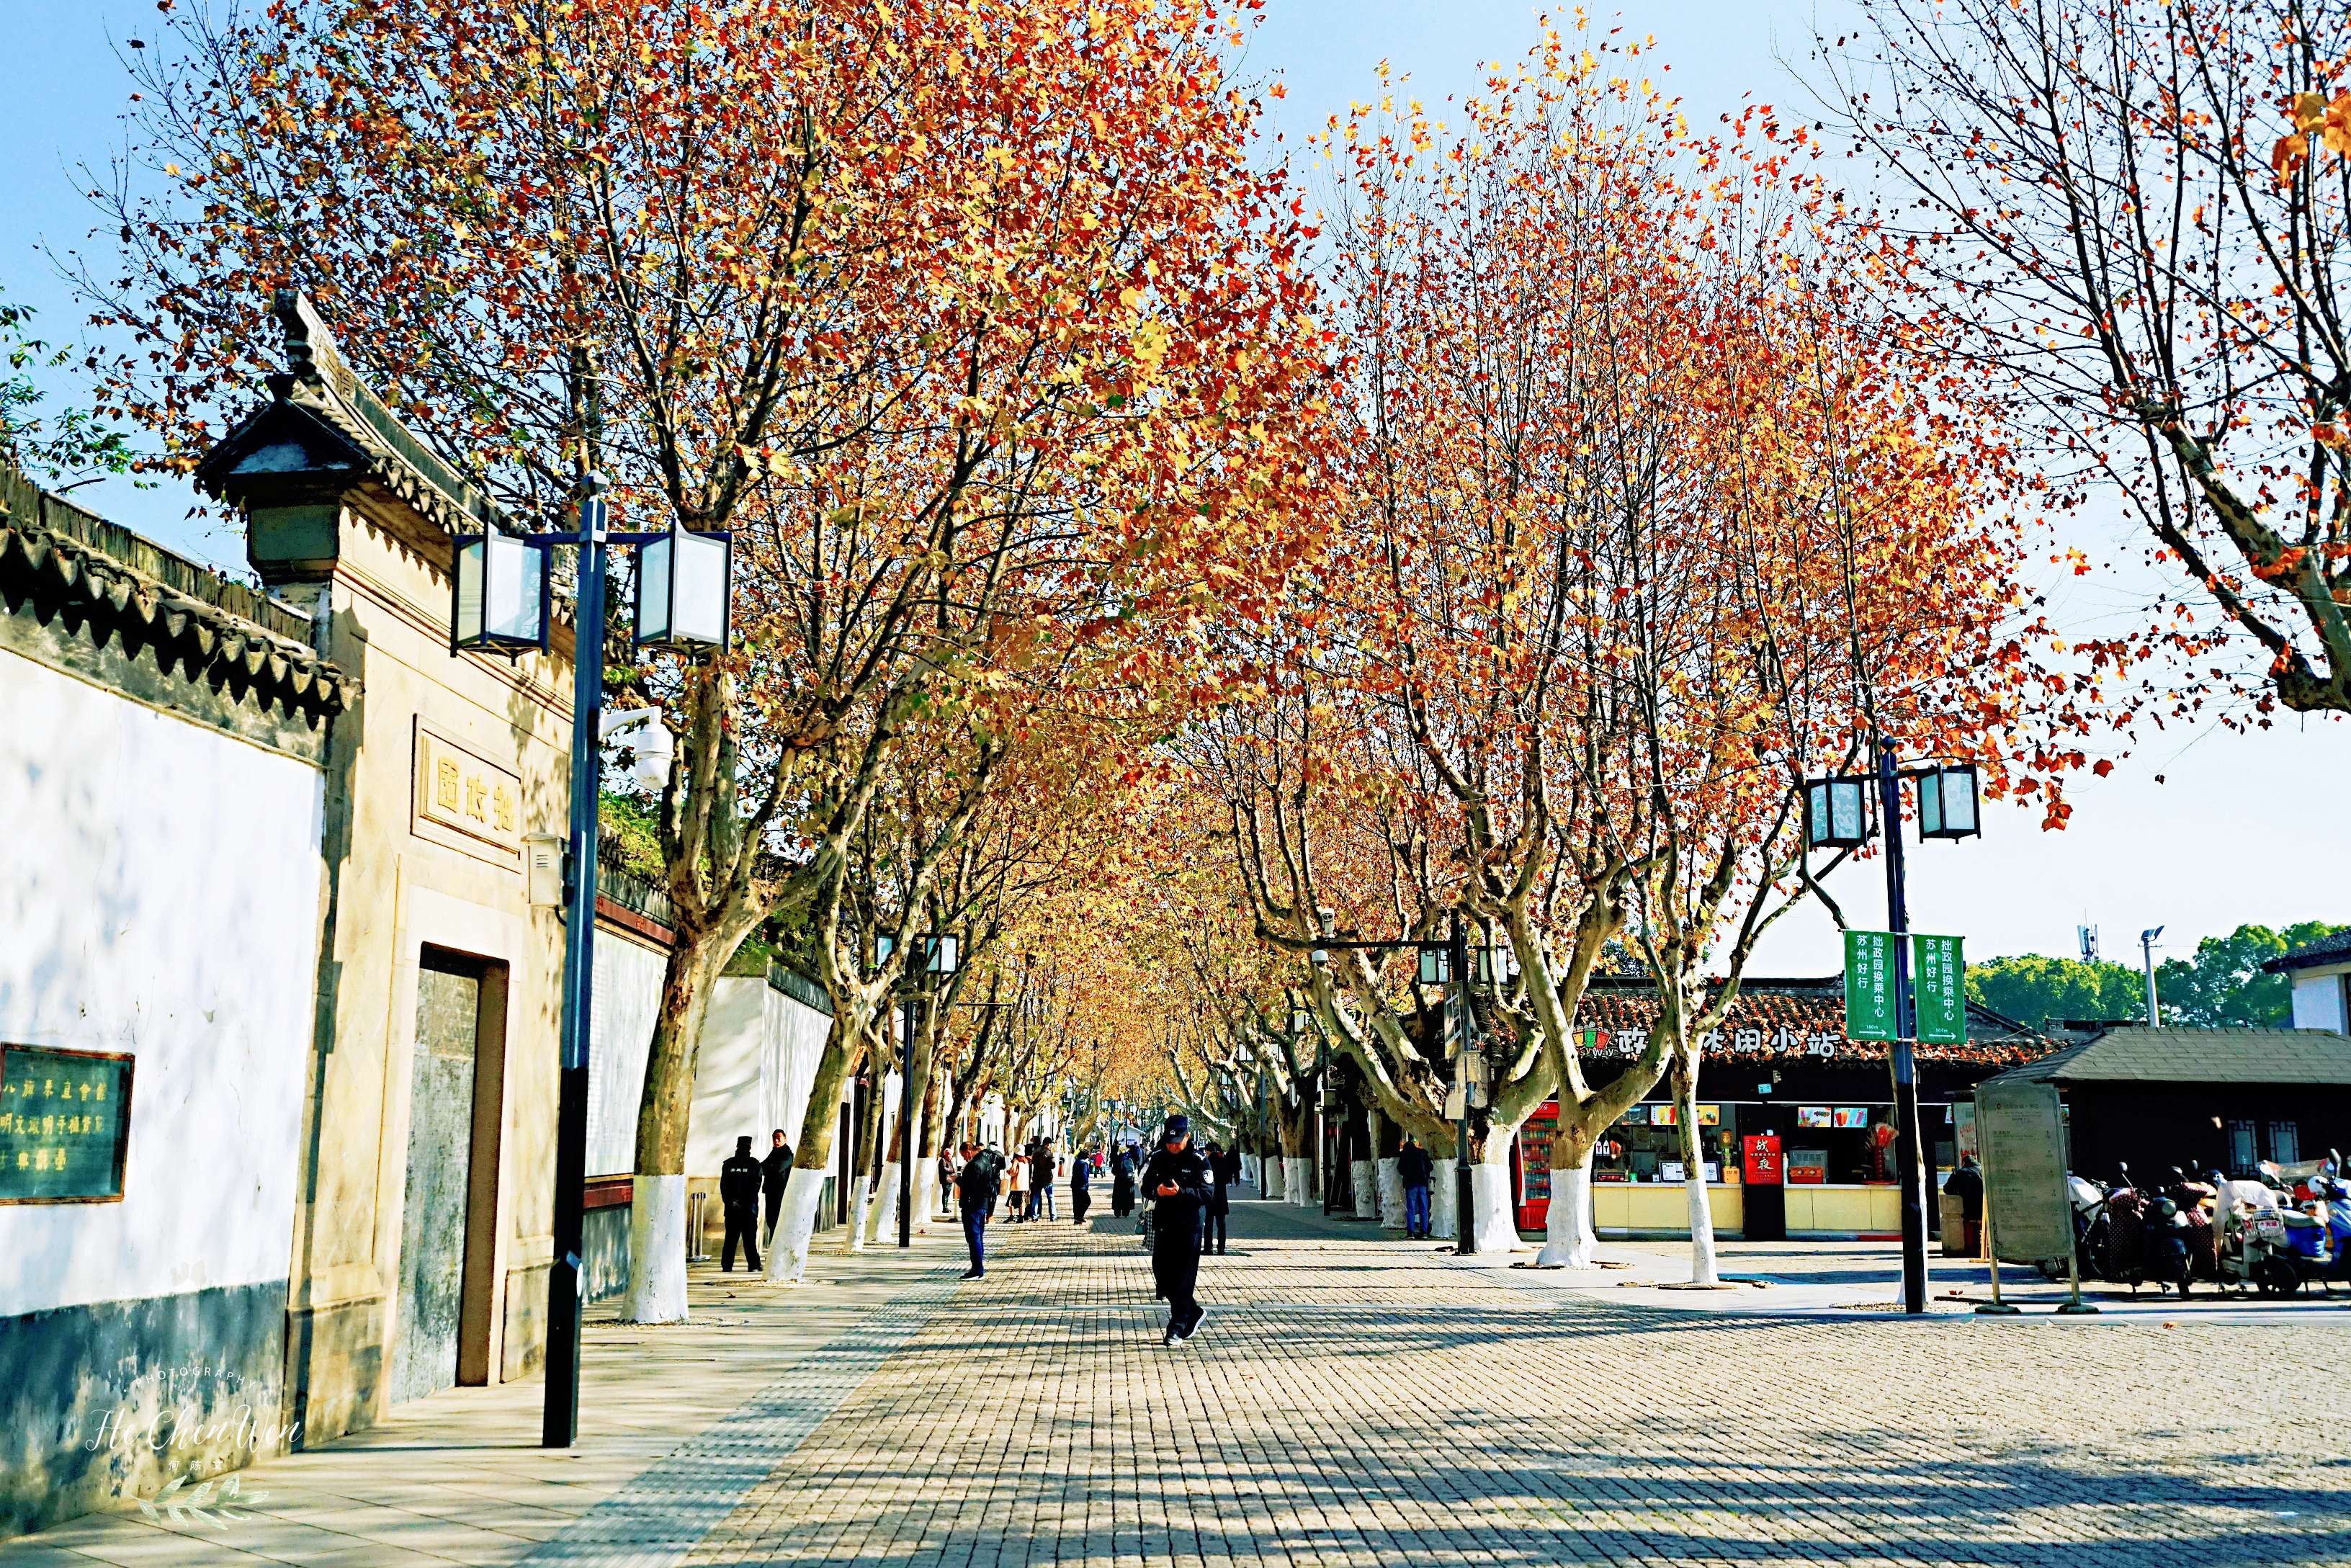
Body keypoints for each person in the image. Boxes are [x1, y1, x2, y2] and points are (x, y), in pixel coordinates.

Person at [1142, 1115, 1212, 1343]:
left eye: (1177, 1142)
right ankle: (1193, 1311)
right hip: (1164, 1225)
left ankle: (1178, 1326)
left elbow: (1207, 1194)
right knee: (1162, 1274)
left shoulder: (1199, 1161)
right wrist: (1157, 1191)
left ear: (1187, 1137)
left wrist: (1181, 1193)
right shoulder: (1158, 1157)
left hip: (1190, 1227)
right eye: (1169, 1142)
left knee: (1183, 1278)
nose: (1172, 1146)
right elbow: (1146, 1186)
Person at [951, 1140, 1004, 1278]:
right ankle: (978, 1268)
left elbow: (970, 1185)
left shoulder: (974, 1165)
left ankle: (977, 1270)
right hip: (982, 1204)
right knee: (978, 1237)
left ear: (968, 1152)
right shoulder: (986, 1161)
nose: (965, 1159)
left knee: (973, 1237)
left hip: (972, 1205)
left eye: (964, 1156)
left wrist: (957, 1179)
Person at [720, 1134, 764, 1271]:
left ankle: (727, 1265)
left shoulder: (728, 1164)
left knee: (730, 1239)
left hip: (732, 1209)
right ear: (750, 1148)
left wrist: (732, 1202)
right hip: (749, 1209)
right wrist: (744, 1202)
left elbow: (724, 1187)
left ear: (737, 1146)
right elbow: (755, 1187)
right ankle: (754, 1265)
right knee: (749, 1239)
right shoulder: (754, 1165)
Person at [1942, 1155, 1984, 1257]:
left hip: (1968, 1205)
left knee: (1969, 1226)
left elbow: (1947, 1189)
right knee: (1982, 1226)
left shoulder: (1960, 1173)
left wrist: (1958, 1192)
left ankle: (1971, 1249)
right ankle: (1983, 1249)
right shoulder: (1983, 1171)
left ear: (1964, 1162)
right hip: (1983, 1206)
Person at [761, 1129, 794, 1242]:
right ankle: (773, 1246)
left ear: (785, 1139)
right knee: (771, 1220)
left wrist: (768, 1168)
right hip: (771, 1191)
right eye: (774, 1138)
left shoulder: (787, 1155)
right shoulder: (774, 1153)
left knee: (779, 1221)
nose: (776, 1141)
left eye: (779, 1138)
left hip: (781, 1192)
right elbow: (762, 1167)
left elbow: (778, 1169)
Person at [1399, 1134, 1435, 1240]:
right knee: (1424, 1207)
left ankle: (1411, 1233)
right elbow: (1431, 1167)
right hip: (1423, 1184)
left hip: (1411, 1184)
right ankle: (1424, 1232)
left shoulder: (1405, 1155)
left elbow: (1400, 1168)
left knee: (1411, 1208)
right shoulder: (1423, 1153)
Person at [1202, 1139, 1234, 1255]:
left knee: (1208, 1223)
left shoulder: (1206, 1162)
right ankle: (1221, 1248)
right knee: (1221, 1224)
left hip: (1209, 1196)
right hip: (1221, 1196)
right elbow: (1228, 1178)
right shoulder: (1223, 1161)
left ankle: (1208, 1248)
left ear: (1208, 1151)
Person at [1005, 1145, 1030, 1221]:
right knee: (1022, 1203)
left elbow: (1013, 1171)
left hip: (1016, 1185)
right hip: (1025, 1186)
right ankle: (1021, 1217)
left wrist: (1008, 1172)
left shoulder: (1016, 1161)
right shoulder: (1026, 1161)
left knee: (1011, 1202)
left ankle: (1012, 1216)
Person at [1070, 1144, 1094, 1224]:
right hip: (1081, 1186)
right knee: (1087, 1201)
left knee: (1076, 1202)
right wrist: (1085, 1184)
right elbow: (1084, 1176)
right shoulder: (1084, 1164)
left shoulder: (1076, 1162)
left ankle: (1077, 1218)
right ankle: (1079, 1216)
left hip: (1074, 1185)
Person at [1111, 1145, 1137, 1218]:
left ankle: (1117, 1212)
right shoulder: (1131, 1158)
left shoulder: (1118, 1158)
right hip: (1129, 1181)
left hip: (1119, 1180)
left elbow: (1114, 1171)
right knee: (1128, 1196)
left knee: (1118, 1196)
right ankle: (1126, 1212)